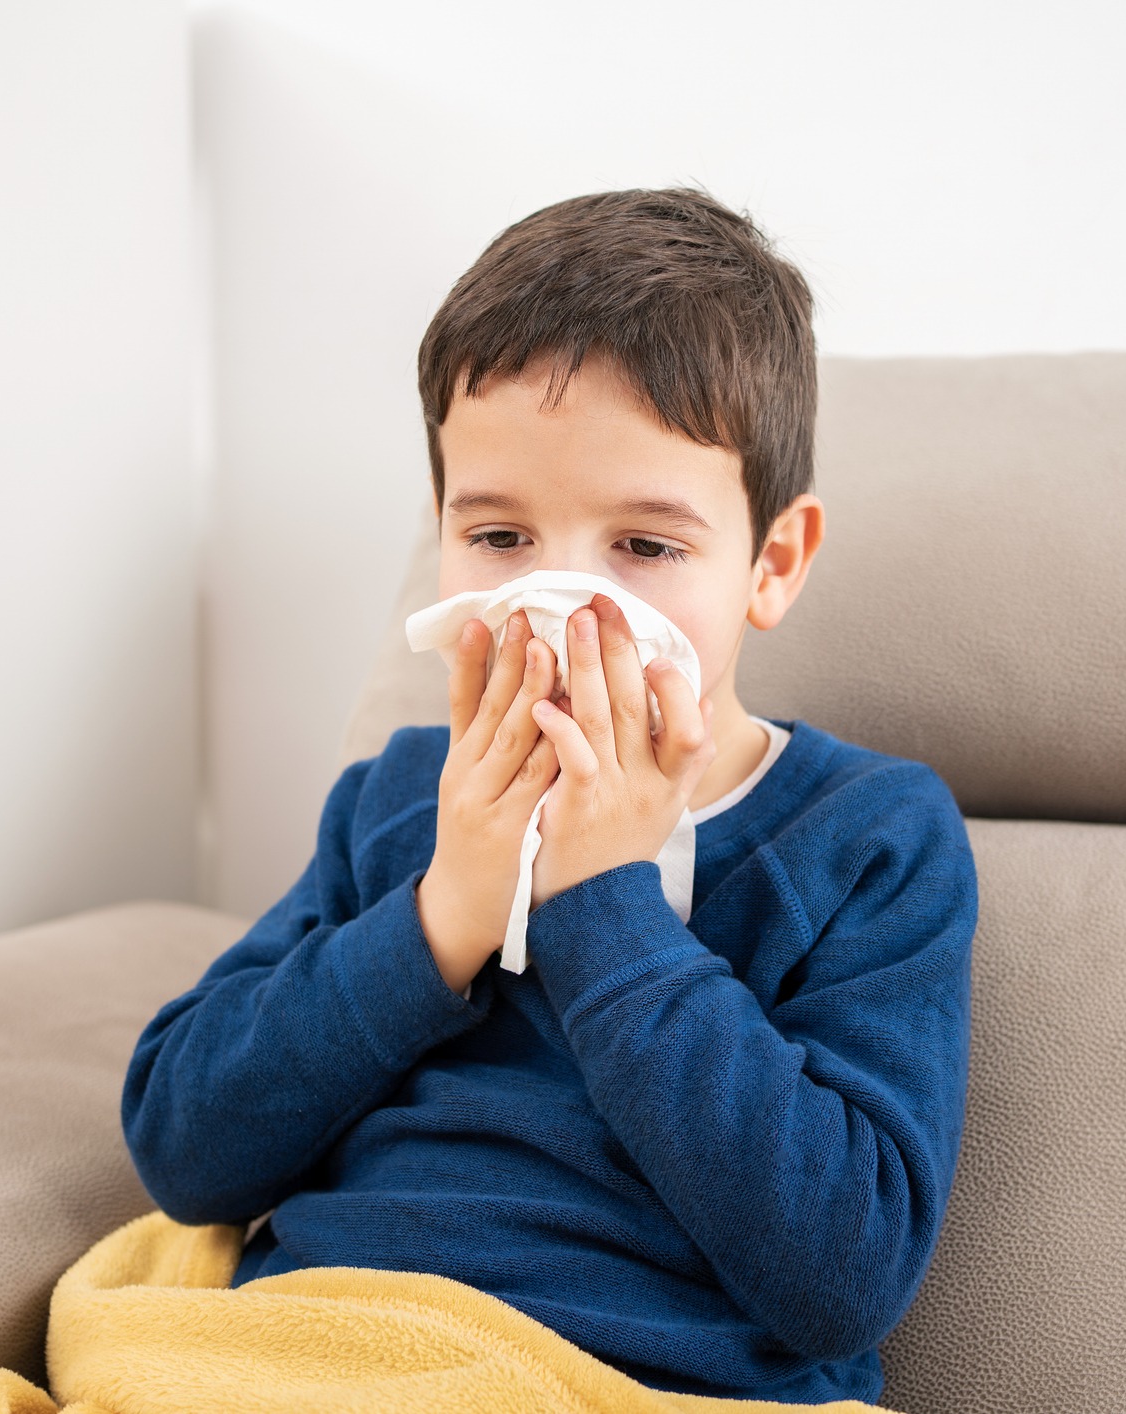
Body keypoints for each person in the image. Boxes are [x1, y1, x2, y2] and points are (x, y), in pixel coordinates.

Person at [122, 188, 977, 1406]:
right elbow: (182, 1145)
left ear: (769, 564)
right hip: (322, 1353)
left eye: (645, 547)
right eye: (500, 537)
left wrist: (602, 898)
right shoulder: (398, 799)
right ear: (441, 537)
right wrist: (441, 914)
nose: (562, 607)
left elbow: (841, 1272)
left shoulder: (866, 839)